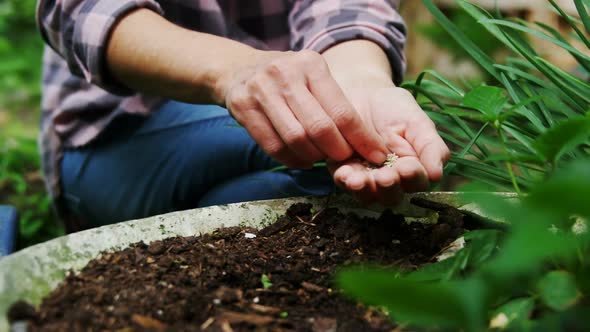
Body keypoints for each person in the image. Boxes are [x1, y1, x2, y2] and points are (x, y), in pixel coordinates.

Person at [37, 0, 450, 230]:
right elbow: (84, 12)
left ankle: (201, 247)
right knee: (316, 154)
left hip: (268, 131)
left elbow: (348, 8)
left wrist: (359, 83)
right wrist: (234, 72)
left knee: (350, 160)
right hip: (117, 134)